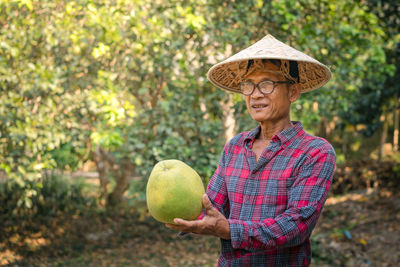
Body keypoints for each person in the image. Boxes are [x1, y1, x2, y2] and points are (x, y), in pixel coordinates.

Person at [166, 34, 336, 267]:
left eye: (267, 84)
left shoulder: (315, 152)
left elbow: (297, 226)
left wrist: (230, 230)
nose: (255, 94)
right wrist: (181, 211)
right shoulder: (235, 146)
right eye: (248, 85)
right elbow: (211, 206)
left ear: (293, 92)